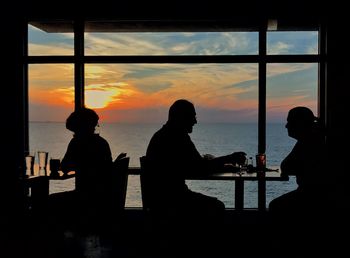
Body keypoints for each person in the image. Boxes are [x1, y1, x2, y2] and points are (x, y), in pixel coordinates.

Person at [145, 99, 247, 223]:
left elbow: (194, 164)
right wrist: (229, 158)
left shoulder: (161, 135)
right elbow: (200, 167)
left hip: (158, 201)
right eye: (192, 117)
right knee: (217, 207)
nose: (195, 121)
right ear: (182, 117)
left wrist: (221, 163)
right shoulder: (179, 137)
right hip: (173, 200)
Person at [268, 106, 333, 220]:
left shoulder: (309, 141)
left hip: (313, 196)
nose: (286, 126)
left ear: (299, 124)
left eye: (289, 122)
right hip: (318, 194)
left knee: (275, 206)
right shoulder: (313, 138)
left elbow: (286, 166)